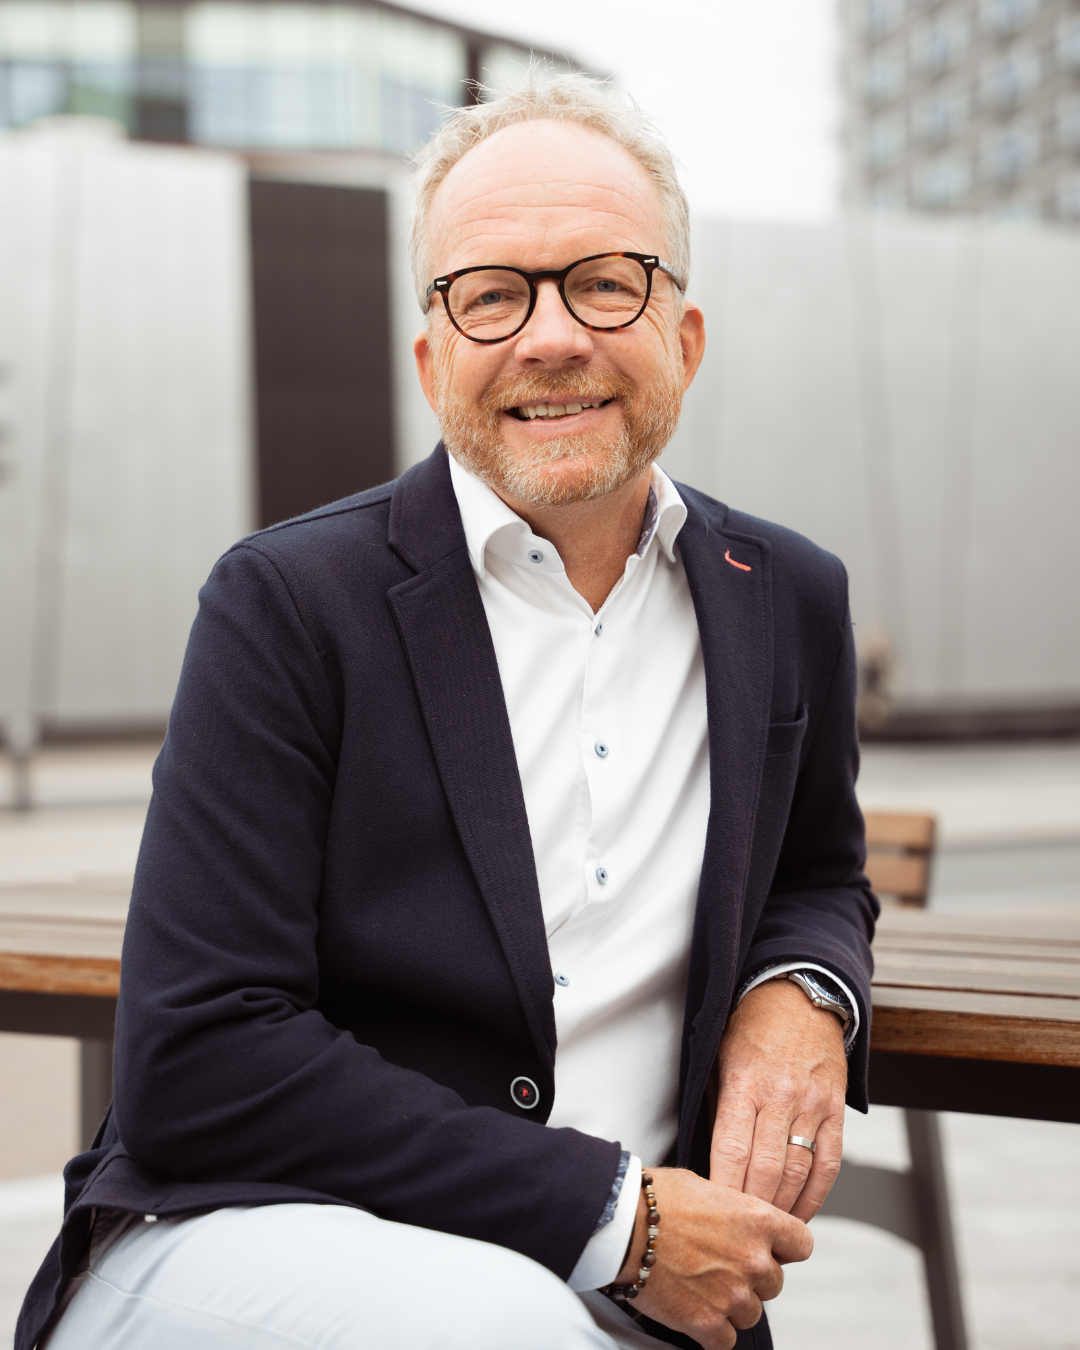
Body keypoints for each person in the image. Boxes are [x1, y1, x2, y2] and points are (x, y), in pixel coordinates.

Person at [19, 73, 876, 1350]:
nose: (548, 337)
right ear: (433, 360)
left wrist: (804, 991)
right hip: (246, 1241)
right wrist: (616, 1217)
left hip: (630, 1298)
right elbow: (198, 1055)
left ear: (685, 337)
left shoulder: (787, 595)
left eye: (604, 280)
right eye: (491, 294)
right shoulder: (285, 605)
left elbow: (817, 869)